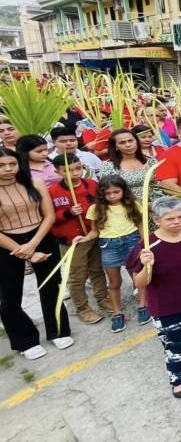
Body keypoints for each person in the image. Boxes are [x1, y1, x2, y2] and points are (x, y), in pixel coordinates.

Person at [126, 197, 181, 399]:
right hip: (167, 306)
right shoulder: (147, 246)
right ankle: (179, 378)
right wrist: (146, 264)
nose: (177, 222)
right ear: (156, 220)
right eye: (170, 219)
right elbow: (140, 283)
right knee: (174, 345)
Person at [0, 147, 72, 359]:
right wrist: (25, 252)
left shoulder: (35, 183)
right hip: (6, 244)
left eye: (12, 164)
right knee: (10, 296)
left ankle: (58, 330)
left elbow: (49, 216)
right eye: (2, 165)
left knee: (51, 285)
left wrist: (34, 244)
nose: (8, 169)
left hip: (41, 236)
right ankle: (25, 340)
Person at [72, 175, 148, 332]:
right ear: (101, 194)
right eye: (108, 193)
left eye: (116, 192)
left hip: (132, 243)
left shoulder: (133, 204)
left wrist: (144, 244)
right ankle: (117, 313)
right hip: (109, 246)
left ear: (123, 191)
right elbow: (94, 232)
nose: (112, 196)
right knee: (114, 283)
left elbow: (141, 226)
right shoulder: (96, 209)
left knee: (138, 277)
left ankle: (143, 305)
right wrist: (84, 239)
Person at [48, 153, 109, 325]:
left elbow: (102, 206)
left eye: (78, 168)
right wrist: (67, 213)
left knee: (97, 269)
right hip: (71, 240)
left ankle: (103, 297)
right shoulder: (52, 191)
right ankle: (82, 307)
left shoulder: (91, 185)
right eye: (69, 170)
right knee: (77, 275)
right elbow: (48, 216)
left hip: (93, 234)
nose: (75, 173)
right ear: (58, 172)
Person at [97, 129, 159, 202]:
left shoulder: (151, 161)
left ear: (136, 141)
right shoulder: (108, 166)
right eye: (122, 143)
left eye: (130, 141)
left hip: (156, 203)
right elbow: (110, 192)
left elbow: (159, 185)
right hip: (126, 206)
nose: (128, 145)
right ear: (116, 147)